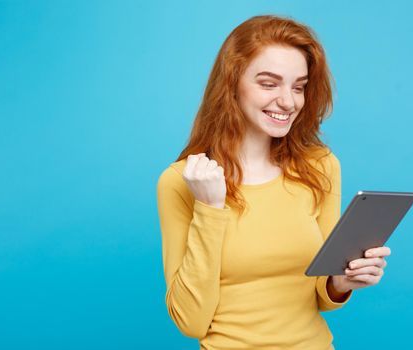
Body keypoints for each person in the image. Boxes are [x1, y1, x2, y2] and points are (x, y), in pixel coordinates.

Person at [156, 15, 391, 350]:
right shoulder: (181, 182)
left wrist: (342, 281)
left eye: (298, 86)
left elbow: (321, 295)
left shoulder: (320, 166)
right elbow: (191, 321)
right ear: (231, 84)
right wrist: (210, 209)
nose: (288, 101)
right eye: (269, 84)